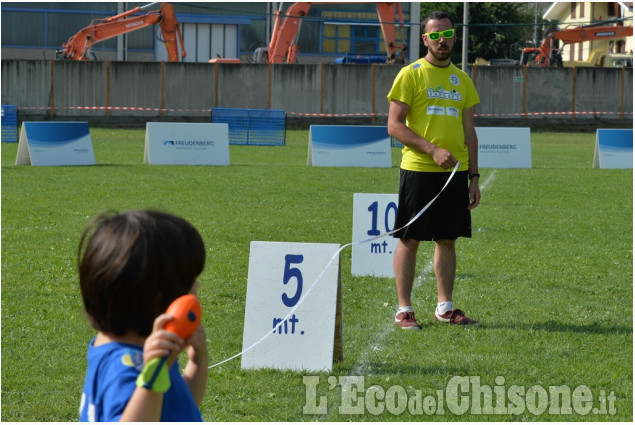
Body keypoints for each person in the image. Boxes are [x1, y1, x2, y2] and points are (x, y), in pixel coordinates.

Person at [387, 11, 481, 330]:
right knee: (410, 238)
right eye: (435, 36)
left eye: (447, 35)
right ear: (425, 39)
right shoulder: (410, 74)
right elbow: (394, 126)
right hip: (418, 170)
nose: (442, 41)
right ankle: (404, 310)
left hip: (455, 174)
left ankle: (445, 308)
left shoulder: (463, 79)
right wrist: (432, 150)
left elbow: (469, 133)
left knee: (447, 239)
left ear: (455, 37)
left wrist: (474, 177)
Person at [77, 210, 208, 421]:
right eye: (190, 280)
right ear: (158, 298)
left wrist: (197, 362)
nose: (197, 286)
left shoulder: (147, 351)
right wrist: (153, 376)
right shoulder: (125, 368)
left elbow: (180, 408)